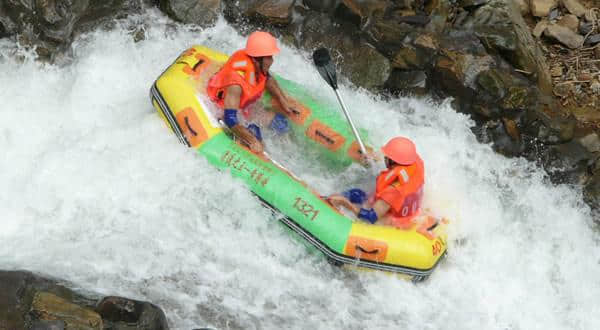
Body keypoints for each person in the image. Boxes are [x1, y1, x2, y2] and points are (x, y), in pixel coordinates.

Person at [207, 31, 296, 154]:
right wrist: (252, 141)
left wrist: (283, 100)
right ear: (255, 59)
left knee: (281, 123)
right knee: (255, 134)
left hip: (244, 106)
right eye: (268, 57)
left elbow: (267, 78)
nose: (272, 61)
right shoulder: (236, 84)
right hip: (222, 108)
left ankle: (291, 154)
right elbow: (230, 119)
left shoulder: (258, 65)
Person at [327, 137, 425, 229]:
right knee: (357, 194)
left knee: (354, 194)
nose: (385, 158)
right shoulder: (414, 162)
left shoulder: (393, 190)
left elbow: (370, 217)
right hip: (409, 210)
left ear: (392, 161)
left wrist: (345, 203)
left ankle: (332, 201)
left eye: (387, 157)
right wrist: (372, 157)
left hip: (392, 221)